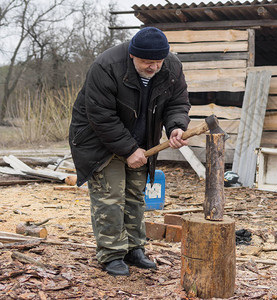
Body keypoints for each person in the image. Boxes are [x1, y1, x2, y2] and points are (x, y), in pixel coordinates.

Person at [69, 27, 191, 276]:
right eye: (147, 62)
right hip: (99, 140)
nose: (153, 67)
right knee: (111, 197)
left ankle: (134, 248)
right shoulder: (106, 66)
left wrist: (176, 127)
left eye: (157, 62)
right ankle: (112, 254)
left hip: (142, 139)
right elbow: (101, 117)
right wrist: (128, 149)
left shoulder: (171, 66)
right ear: (132, 56)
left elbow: (177, 102)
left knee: (135, 194)